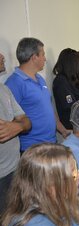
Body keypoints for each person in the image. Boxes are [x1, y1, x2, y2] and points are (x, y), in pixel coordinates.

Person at [5, 37, 69, 152]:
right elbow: (9, 119)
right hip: (33, 149)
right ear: (34, 57)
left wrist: (63, 130)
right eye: (43, 55)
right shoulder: (14, 83)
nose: (45, 59)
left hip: (51, 143)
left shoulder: (40, 78)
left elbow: (48, 108)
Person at [0, 54, 31, 216]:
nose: (2, 56)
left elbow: (26, 122)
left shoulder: (4, 89)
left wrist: (16, 127)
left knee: (16, 214)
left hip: (14, 167)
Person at [53, 48, 79, 129]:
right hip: (72, 125)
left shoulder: (73, 78)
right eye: (77, 62)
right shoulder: (61, 80)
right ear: (71, 63)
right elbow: (70, 106)